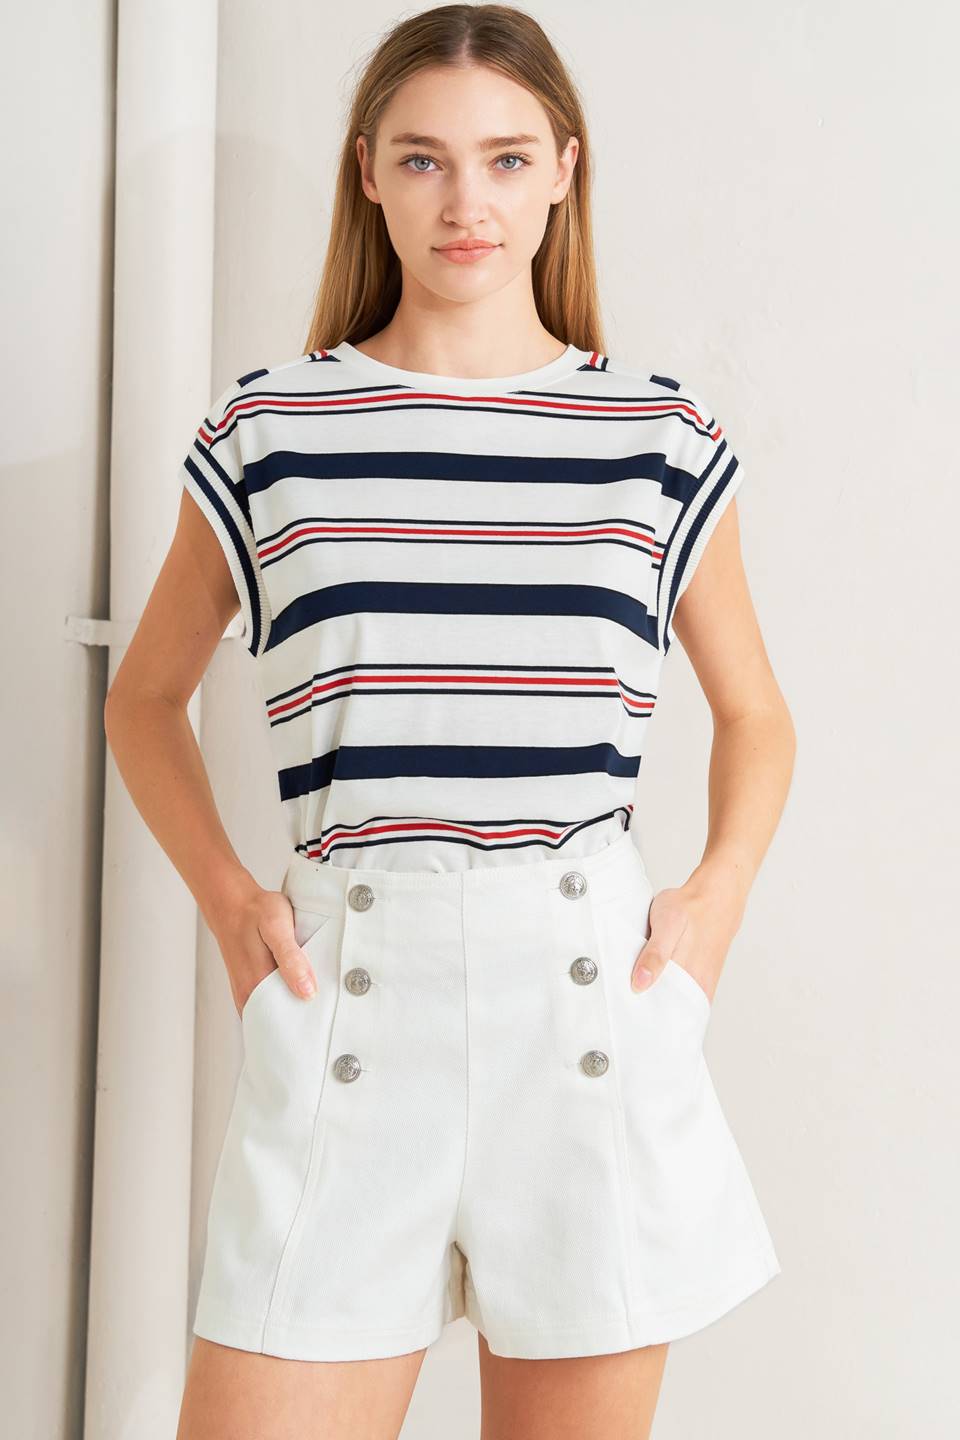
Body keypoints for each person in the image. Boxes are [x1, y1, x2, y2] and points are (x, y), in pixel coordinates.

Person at [104, 6, 796, 1437]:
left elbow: (757, 715)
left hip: (584, 1002)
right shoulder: (271, 430)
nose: (465, 200)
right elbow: (145, 697)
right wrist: (231, 901)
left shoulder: (658, 437)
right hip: (351, 995)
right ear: (368, 174)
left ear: (564, 172)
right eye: (423, 159)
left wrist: (715, 900)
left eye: (505, 158)